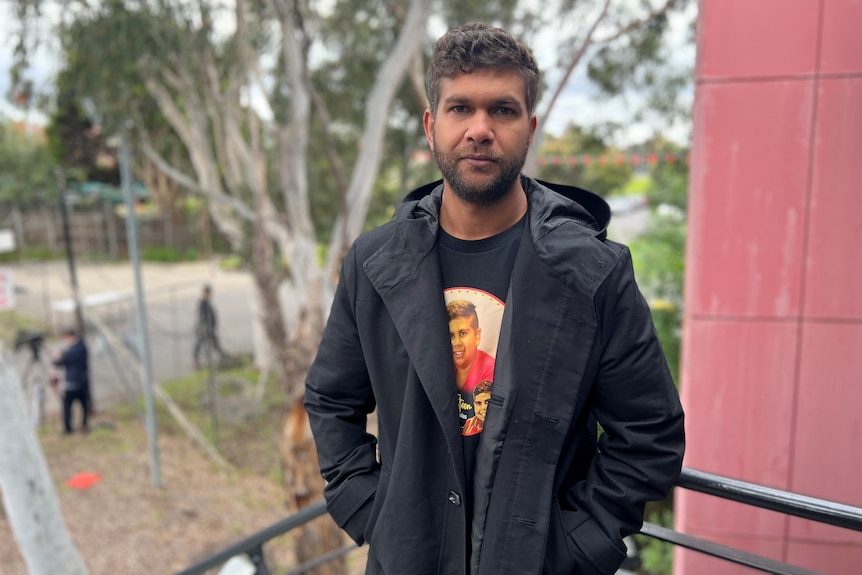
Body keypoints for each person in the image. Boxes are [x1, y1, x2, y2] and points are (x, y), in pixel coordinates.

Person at [305, 23, 685, 575]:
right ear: (433, 125)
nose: (480, 130)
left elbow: (649, 433)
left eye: (502, 111)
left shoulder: (595, 272)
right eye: (461, 108)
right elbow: (330, 401)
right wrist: (374, 511)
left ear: (529, 128)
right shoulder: (373, 262)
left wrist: (577, 544)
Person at [447, 299, 495, 392]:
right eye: (451, 335)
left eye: (463, 333)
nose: (457, 343)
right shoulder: (442, 364)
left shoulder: (492, 372)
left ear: (477, 336)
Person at [52, 328, 90, 434]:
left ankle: (68, 428)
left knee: (68, 405)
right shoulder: (82, 347)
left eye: (66, 338)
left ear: (70, 337)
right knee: (83, 405)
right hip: (82, 382)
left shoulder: (73, 350)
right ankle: (84, 425)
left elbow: (58, 362)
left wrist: (58, 356)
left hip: (72, 383)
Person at [193, 284, 224, 368]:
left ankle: (220, 354)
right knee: (200, 344)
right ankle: (196, 360)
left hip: (210, 327)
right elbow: (202, 317)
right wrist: (204, 328)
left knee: (214, 341)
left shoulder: (207, 303)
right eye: (208, 293)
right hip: (204, 328)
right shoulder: (202, 303)